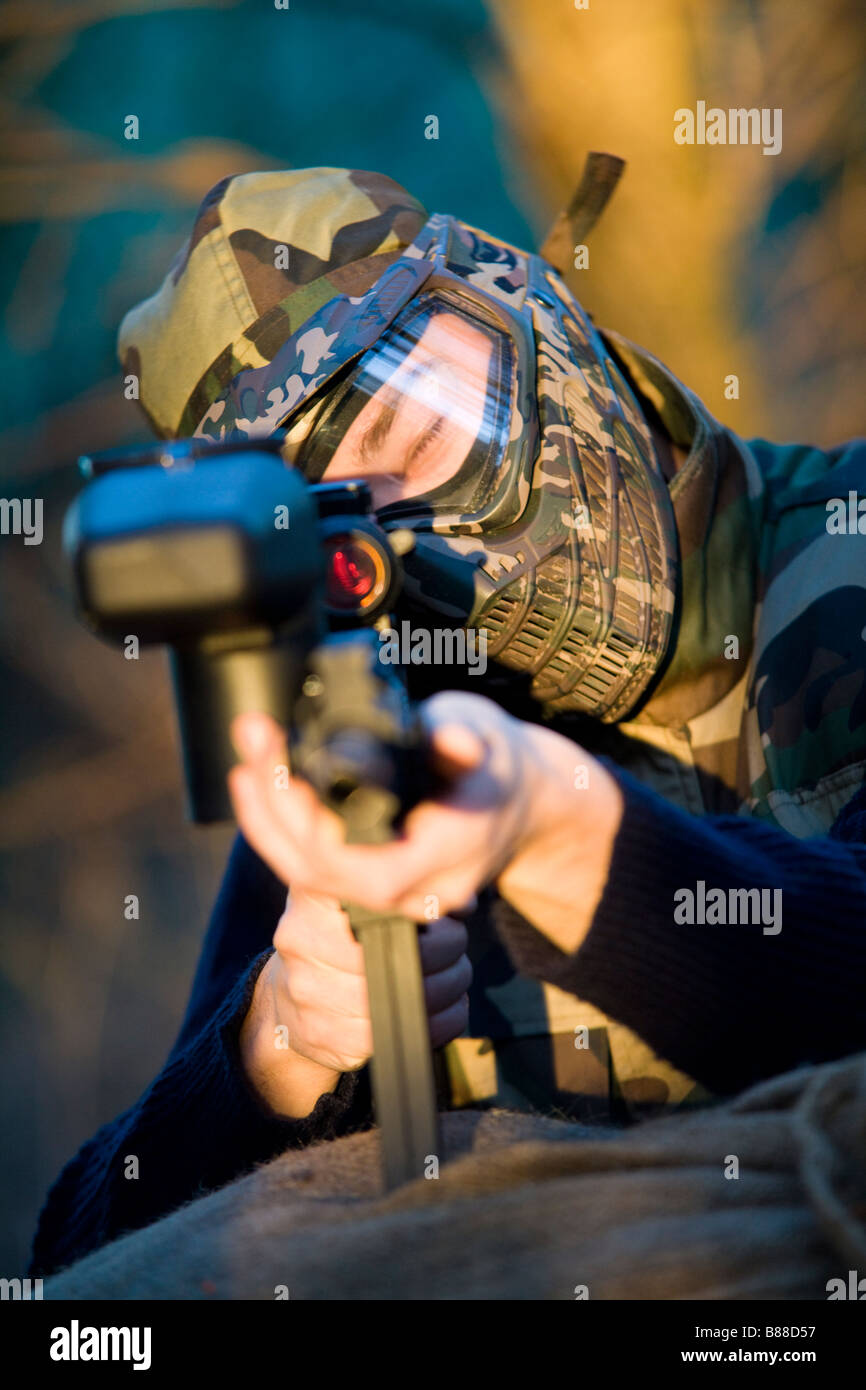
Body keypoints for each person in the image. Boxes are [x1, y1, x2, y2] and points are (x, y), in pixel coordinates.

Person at [30, 167, 866, 1279]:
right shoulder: (378, 734)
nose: (426, 535)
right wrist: (277, 1050)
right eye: (343, 516)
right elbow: (91, 1277)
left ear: (531, 307)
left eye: (424, 433)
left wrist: (554, 835)